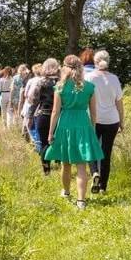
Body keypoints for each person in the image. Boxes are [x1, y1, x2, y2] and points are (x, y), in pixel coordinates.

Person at [44, 54, 104, 210]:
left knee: (66, 162)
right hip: (83, 125)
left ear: (64, 67)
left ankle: (66, 191)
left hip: (65, 125)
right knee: (82, 165)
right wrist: (91, 129)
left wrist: (50, 133)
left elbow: (55, 112)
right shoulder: (89, 87)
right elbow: (94, 113)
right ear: (80, 68)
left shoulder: (60, 86)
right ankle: (81, 201)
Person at [85, 50, 124, 194]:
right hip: (112, 120)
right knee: (106, 153)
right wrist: (122, 121)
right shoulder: (114, 79)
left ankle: (95, 172)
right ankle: (103, 187)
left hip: (93, 120)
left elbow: (85, 99)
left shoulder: (89, 77)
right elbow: (119, 102)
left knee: (90, 148)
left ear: (95, 62)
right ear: (108, 61)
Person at [27, 58, 60, 175]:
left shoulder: (40, 82)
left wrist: (29, 117)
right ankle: (60, 164)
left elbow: (33, 101)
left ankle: (46, 171)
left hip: (44, 114)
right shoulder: (62, 82)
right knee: (58, 142)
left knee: (44, 143)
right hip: (60, 116)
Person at [21, 64, 43, 149]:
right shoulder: (45, 80)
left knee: (28, 125)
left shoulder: (31, 81)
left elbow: (26, 94)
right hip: (43, 106)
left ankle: (33, 143)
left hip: (31, 105)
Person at [9, 64, 28, 129]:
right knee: (22, 113)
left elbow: (12, 89)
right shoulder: (27, 78)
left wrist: (10, 99)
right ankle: (20, 126)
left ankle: (17, 126)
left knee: (16, 113)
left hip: (16, 97)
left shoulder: (15, 77)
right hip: (24, 98)